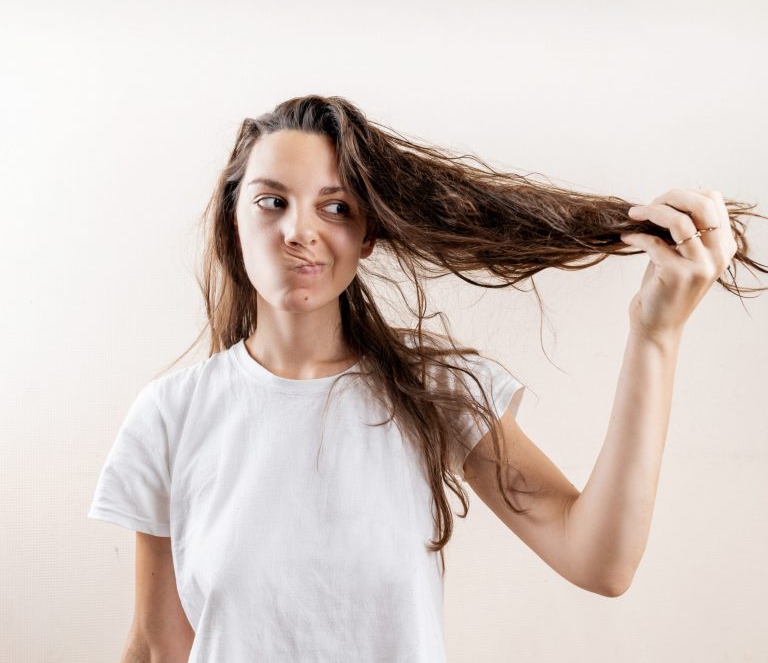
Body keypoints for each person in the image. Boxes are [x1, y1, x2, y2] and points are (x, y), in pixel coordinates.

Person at [87, 94, 766, 662]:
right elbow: (158, 645)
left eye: (336, 206)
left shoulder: (436, 394)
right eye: (272, 202)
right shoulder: (170, 415)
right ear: (233, 221)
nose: (300, 231)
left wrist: (656, 333)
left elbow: (601, 561)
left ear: (370, 234)